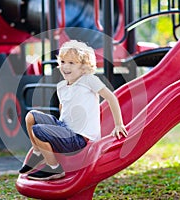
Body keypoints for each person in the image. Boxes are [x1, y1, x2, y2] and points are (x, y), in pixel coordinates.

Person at [19, 40, 128, 181]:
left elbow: (111, 98)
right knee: (30, 117)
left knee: (38, 130)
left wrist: (119, 124)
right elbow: (63, 109)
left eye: (72, 63)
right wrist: (55, 131)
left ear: (83, 67)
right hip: (65, 129)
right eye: (63, 62)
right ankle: (37, 152)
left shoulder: (89, 80)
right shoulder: (61, 86)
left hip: (79, 137)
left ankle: (54, 169)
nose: (65, 66)